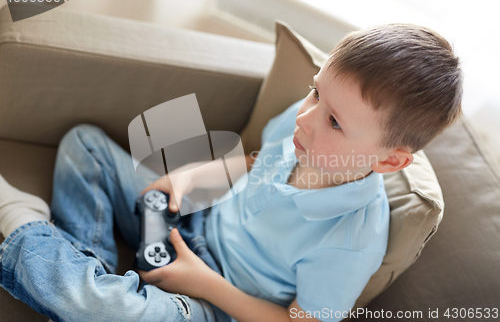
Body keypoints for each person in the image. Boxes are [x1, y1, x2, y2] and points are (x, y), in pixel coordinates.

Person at [0, 23, 462, 322]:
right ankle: (87, 276)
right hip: (187, 224)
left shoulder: (352, 238)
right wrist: (190, 179)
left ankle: (21, 226)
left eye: (335, 121)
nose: (306, 117)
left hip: (211, 300)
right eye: (315, 92)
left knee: (106, 308)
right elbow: (256, 164)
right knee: (85, 145)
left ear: (388, 160)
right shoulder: (305, 129)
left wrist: (202, 283)